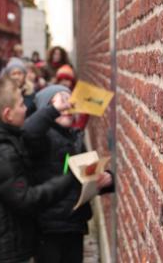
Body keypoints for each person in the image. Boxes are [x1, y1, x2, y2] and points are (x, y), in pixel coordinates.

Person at [0, 78, 75, 263]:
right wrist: (68, 179)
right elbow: (26, 200)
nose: (26, 109)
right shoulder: (1, 154)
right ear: (8, 114)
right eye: (21, 104)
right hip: (4, 251)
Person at [23, 85, 114, 263]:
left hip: (74, 223)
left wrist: (107, 180)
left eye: (70, 101)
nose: (67, 108)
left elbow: (88, 177)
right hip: (49, 227)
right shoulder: (42, 138)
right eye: (60, 103)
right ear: (47, 110)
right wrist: (54, 110)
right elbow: (28, 132)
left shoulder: (75, 137)